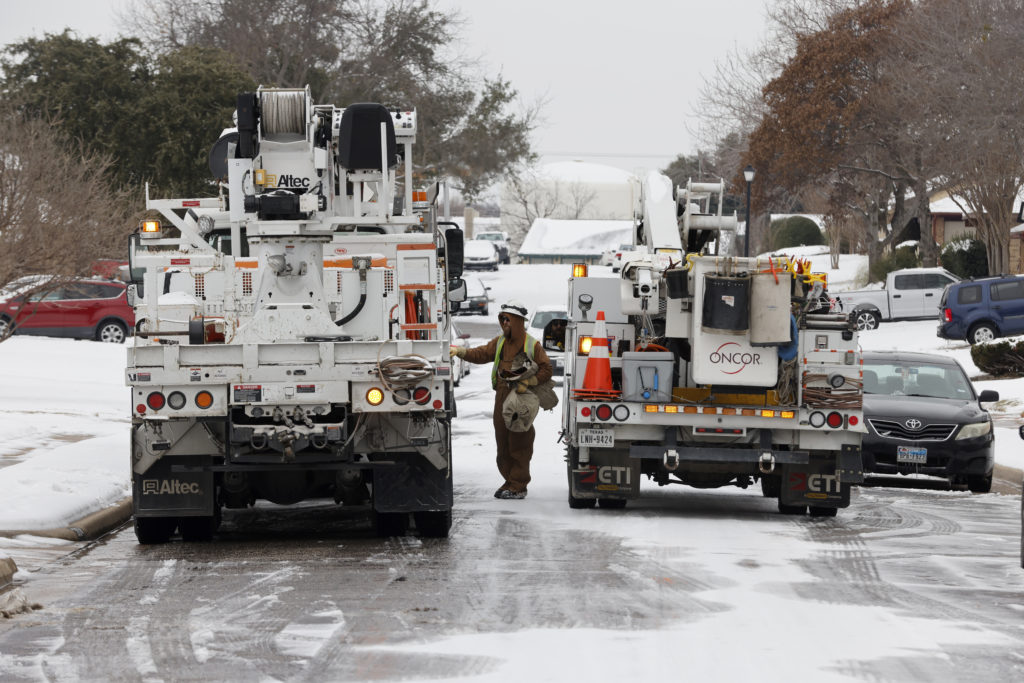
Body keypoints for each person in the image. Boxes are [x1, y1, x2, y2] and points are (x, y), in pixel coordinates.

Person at [451, 300, 553, 499]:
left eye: (508, 320)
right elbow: (482, 354)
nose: (504, 323)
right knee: (503, 441)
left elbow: (546, 369)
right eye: (502, 319)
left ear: (517, 322)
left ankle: (519, 485)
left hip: (522, 398)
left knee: (519, 442)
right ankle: (509, 480)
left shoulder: (532, 344)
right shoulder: (500, 342)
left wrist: (529, 382)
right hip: (502, 396)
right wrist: (461, 352)